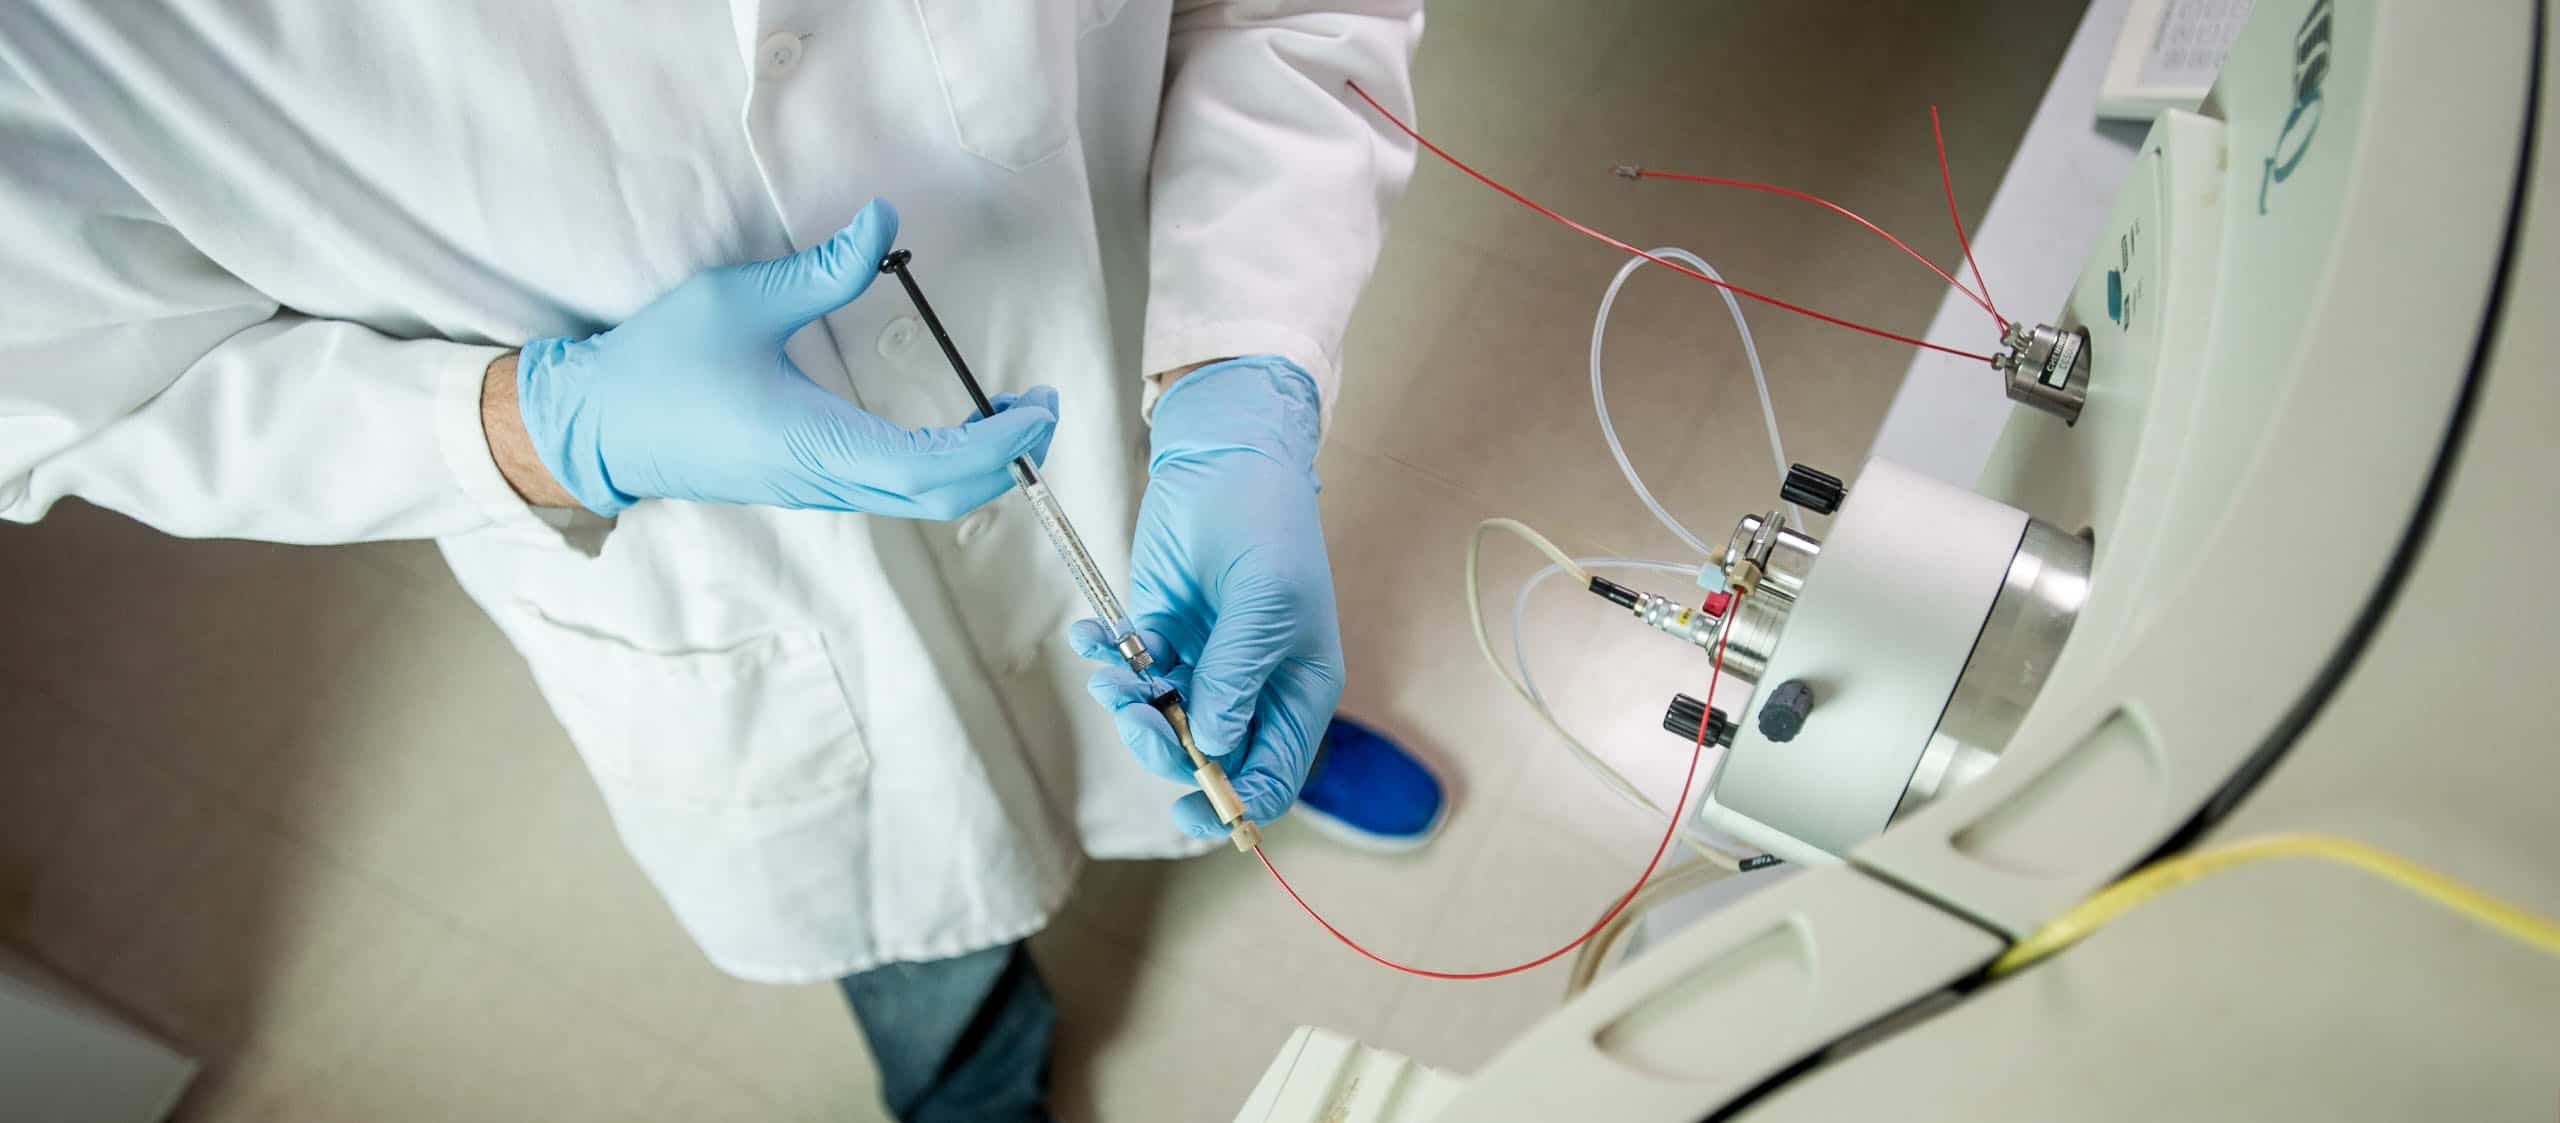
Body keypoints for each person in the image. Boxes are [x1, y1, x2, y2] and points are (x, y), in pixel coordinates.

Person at [0, 2, 1445, 1119]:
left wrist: (1241, 379)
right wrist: (545, 427)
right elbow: (63, 381)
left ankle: (1232, 769)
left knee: (1209, 654)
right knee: (907, 893)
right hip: (709, 558)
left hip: (1114, 352)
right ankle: (970, 1081)